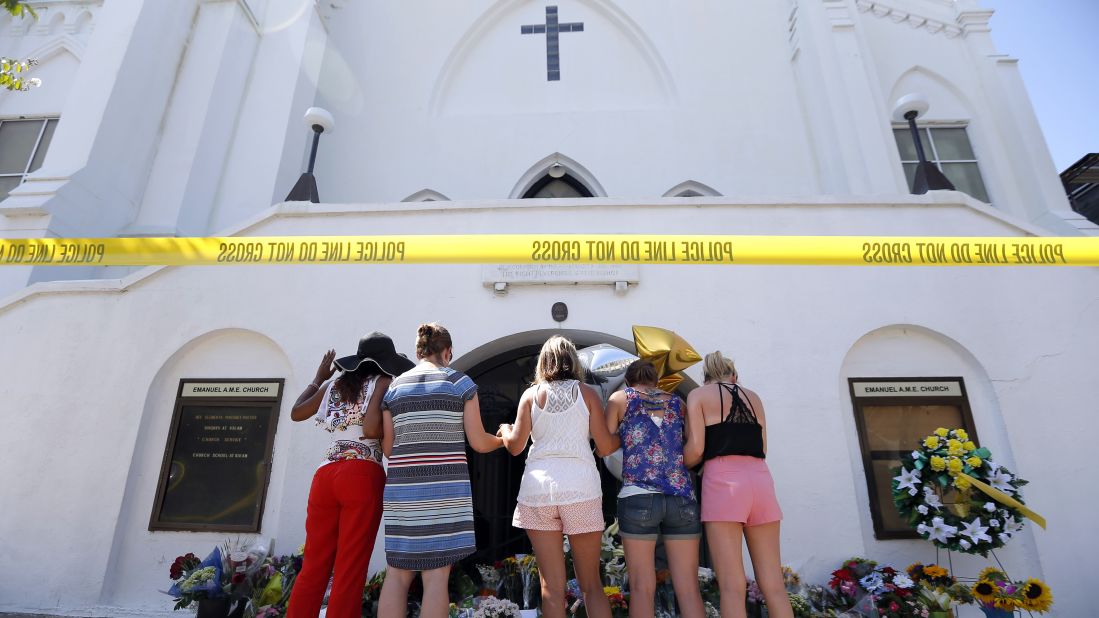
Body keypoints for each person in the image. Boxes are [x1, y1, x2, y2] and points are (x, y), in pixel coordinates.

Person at [378, 323, 505, 618]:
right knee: (436, 577)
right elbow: (478, 442)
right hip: (444, 493)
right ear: (447, 352)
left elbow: (388, 449)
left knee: (396, 575)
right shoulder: (459, 383)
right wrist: (504, 440)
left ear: (418, 351)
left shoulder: (395, 387)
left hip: (402, 493)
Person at [286, 332, 415, 618]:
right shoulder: (383, 382)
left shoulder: (335, 384)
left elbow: (296, 412)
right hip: (361, 472)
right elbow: (370, 430)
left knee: (314, 563)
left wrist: (318, 378)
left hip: (325, 474)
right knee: (350, 565)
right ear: (385, 362)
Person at [497, 335, 620, 618]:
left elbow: (516, 447)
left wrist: (504, 430)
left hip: (538, 490)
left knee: (551, 588)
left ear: (543, 362)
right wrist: (622, 435)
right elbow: (604, 445)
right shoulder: (587, 393)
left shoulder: (531, 395)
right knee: (591, 586)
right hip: (580, 489)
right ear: (573, 361)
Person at [685, 352, 793, 618]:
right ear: (734, 375)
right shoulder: (754, 397)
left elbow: (697, 449)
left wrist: (681, 460)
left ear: (705, 377)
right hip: (760, 479)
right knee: (774, 584)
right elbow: (763, 447)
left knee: (732, 586)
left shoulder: (698, 396)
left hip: (723, 482)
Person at [605, 360, 704, 618]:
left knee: (641, 586)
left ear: (628, 380)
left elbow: (605, 444)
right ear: (656, 381)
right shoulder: (677, 404)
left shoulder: (620, 399)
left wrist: (626, 436)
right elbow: (690, 447)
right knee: (689, 588)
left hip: (638, 495)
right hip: (681, 496)